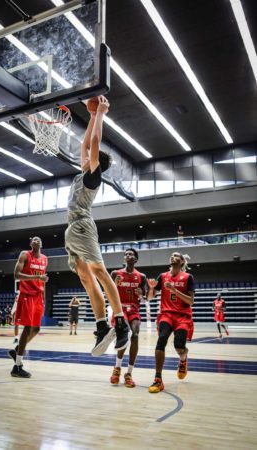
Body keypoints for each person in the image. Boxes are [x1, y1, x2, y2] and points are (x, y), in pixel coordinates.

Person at [64, 95, 129, 357]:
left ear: (96, 163)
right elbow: (85, 143)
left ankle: (121, 323)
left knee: (100, 273)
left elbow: (93, 142)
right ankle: (102, 327)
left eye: (91, 156)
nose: (87, 154)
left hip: (82, 226)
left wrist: (101, 113)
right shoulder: (84, 172)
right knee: (85, 278)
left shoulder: (94, 177)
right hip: (72, 231)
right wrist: (91, 116)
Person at [147, 252, 195, 393]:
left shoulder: (188, 278)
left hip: (182, 316)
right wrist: (151, 288)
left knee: (179, 346)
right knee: (161, 340)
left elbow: (191, 301)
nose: (173, 257)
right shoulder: (162, 276)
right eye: (172, 256)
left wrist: (174, 290)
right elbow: (149, 298)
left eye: (177, 256)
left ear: (182, 262)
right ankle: (158, 379)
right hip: (166, 315)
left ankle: (183, 358)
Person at [8, 236, 48, 378]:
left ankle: (17, 350)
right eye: (34, 239)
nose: (37, 240)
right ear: (31, 243)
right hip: (26, 295)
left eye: (39, 239)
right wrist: (37, 278)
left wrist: (43, 297)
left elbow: (43, 280)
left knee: (36, 329)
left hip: (38, 296)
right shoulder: (24, 254)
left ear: (41, 244)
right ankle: (17, 366)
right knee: (27, 328)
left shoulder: (44, 258)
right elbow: (16, 275)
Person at [109, 248, 147, 388]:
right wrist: (115, 285)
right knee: (125, 333)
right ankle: (117, 369)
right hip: (120, 308)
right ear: (124, 259)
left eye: (130, 254)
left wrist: (141, 295)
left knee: (135, 335)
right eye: (126, 254)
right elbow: (106, 293)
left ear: (135, 259)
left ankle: (129, 373)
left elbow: (144, 299)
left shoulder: (141, 276)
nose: (128, 256)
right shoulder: (115, 273)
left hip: (134, 309)